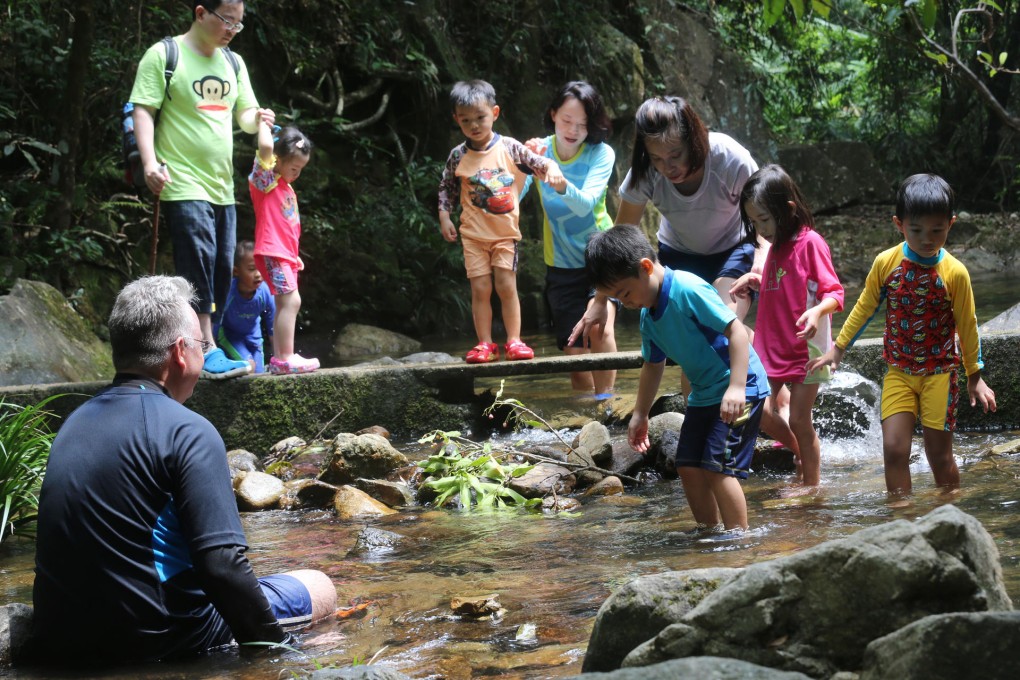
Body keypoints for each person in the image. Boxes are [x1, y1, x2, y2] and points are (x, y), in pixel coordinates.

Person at [28, 276, 336, 665]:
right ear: (179, 352)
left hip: (61, 638)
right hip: (158, 639)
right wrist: (280, 654)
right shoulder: (187, 431)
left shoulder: (72, 426)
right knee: (319, 585)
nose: (203, 356)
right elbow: (222, 566)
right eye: (202, 346)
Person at [807, 174, 997, 495]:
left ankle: (949, 510)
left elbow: (967, 324)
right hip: (899, 373)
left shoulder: (955, 273)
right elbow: (865, 308)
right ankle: (901, 515)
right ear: (899, 224)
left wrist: (974, 375)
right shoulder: (887, 263)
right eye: (916, 230)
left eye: (937, 230)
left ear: (950, 224)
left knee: (939, 456)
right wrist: (837, 349)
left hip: (940, 374)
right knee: (894, 451)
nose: (927, 239)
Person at [586, 225, 770, 530]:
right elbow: (653, 364)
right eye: (618, 298)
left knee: (718, 468)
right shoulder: (648, 316)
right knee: (688, 466)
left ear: (646, 267)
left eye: (625, 294)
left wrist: (737, 388)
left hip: (742, 387)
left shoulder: (686, 289)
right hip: (704, 395)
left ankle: (739, 539)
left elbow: (736, 331)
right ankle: (708, 533)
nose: (626, 304)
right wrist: (640, 414)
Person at [130, 0, 275, 379]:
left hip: (221, 185)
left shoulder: (233, 63)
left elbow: (243, 115)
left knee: (221, 267)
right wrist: (149, 163)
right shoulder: (165, 55)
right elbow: (143, 109)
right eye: (227, 21)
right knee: (197, 258)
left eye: (238, 25)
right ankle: (204, 345)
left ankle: (203, 343)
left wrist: (258, 118)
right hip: (180, 179)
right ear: (200, 13)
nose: (232, 30)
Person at [729, 165, 844, 488]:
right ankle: (800, 452)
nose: (760, 229)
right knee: (755, 408)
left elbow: (834, 293)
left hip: (807, 351)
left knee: (799, 419)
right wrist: (755, 280)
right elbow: (784, 283)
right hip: (772, 346)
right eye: (754, 222)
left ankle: (811, 486)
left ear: (788, 209)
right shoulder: (775, 245)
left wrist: (817, 311)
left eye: (764, 219)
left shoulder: (811, 243)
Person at [438, 79, 565, 364]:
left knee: (506, 286)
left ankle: (514, 341)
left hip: (505, 234)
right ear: (456, 119)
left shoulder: (508, 147)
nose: (474, 125)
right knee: (480, 289)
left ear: (494, 113)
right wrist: (444, 216)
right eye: (466, 120)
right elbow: (446, 187)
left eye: (480, 117)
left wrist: (552, 167)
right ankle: (485, 343)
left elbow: (536, 162)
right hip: (473, 235)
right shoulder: (458, 155)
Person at [522, 81, 619, 396]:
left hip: (601, 258)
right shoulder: (538, 151)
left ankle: (608, 406)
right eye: (567, 120)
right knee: (576, 356)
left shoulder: (600, 153)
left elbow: (585, 205)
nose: (574, 130)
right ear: (553, 115)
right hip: (561, 265)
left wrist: (559, 181)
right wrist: (522, 165)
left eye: (583, 124)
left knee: (599, 330)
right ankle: (587, 416)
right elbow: (512, 198)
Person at [250, 122, 319, 374]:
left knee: (285, 302)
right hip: (273, 250)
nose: (297, 174)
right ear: (277, 160)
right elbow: (266, 147)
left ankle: (280, 359)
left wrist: (294, 255)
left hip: (284, 253)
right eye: (294, 168)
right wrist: (263, 124)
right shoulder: (265, 181)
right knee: (291, 300)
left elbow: (286, 227)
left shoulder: (286, 188)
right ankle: (285, 356)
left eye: (301, 169)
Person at [216, 240, 275, 374]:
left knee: (259, 373)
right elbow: (216, 320)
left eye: (261, 267)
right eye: (252, 269)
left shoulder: (265, 291)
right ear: (236, 271)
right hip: (230, 336)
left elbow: (273, 324)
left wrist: (278, 356)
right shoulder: (228, 292)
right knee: (249, 366)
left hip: (254, 337)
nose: (258, 274)